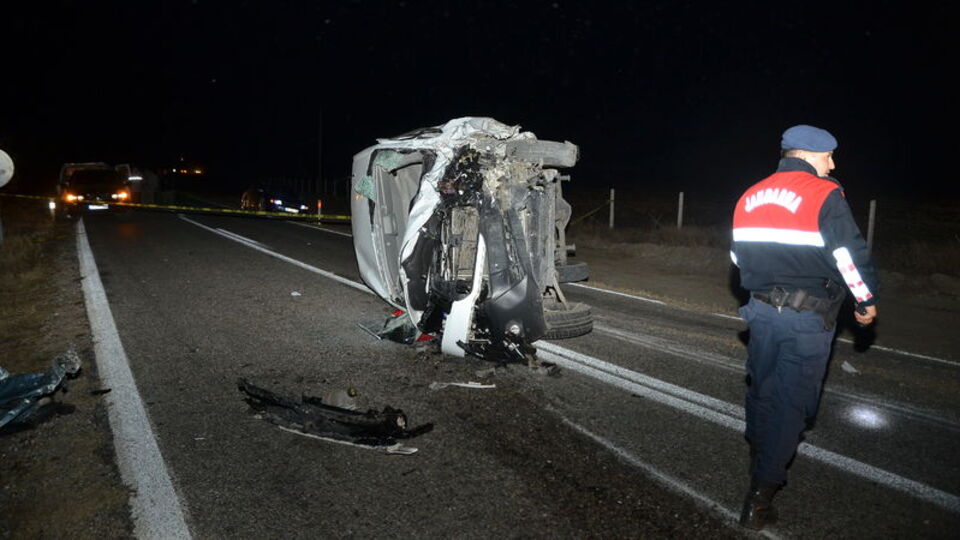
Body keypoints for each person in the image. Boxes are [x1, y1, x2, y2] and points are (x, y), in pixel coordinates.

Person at [730, 124, 878, 530]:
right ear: (811, 156)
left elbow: (737, 255)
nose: (833, 163)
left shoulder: (750, 194)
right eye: (829, 156)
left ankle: (761, 458)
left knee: (762, 391)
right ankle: (760, 496)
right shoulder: (825, 195)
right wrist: (864, 299)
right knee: (792, 404)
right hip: (806, 318)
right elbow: (847, 255)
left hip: (760, 314)